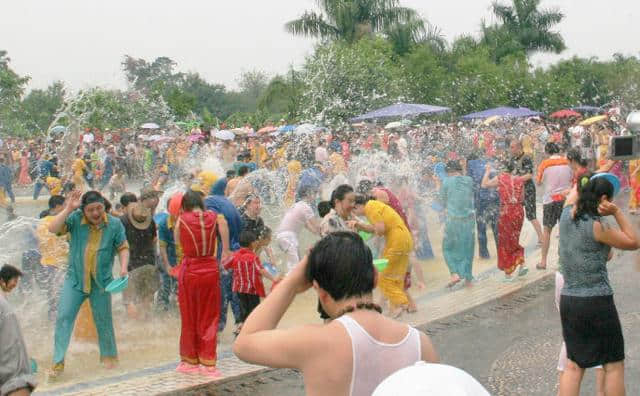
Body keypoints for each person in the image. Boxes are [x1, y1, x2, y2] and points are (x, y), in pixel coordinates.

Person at [233, 232, 438, 396]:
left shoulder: (317, 342)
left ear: (320, 292)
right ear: (375, 277)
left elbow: (244, 343)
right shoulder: (420, 344)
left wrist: (292, 283)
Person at [558, 176, 639, 396]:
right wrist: (617, 212)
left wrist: (587, 184)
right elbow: (633, 242)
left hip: (569, 301)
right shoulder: (598, 226)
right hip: (596, 301)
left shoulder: (565, 216)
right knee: (612, 365)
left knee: (574, 365)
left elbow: (575, 191)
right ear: (604, 199)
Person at [47, 190, 129, 378]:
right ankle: (58, 362)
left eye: (99, 208)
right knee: (64, 318)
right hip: (75, 281)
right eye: (90, 210)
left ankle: (109, 360)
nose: (95, 213)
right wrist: (68, 208)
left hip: (101, 283)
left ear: (104, 206)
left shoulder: (114, 224)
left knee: (104, 321)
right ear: (83, 210)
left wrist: (123, 267)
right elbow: (52, 228)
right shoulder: (75, 219)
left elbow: (123, 247)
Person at [173, 190, 231, 377]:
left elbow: (177, 240)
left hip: (190, 271)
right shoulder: (215, 217)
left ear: (185, 205)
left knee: (190, 316)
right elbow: (224, 226)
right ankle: (208, 364)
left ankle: (189, 362)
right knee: (209, 316)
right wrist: (226, 252)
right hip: (210, 269)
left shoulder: (182, 219)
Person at [352, 195, 413, 317]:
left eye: (354, 211)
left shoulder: (370, 208)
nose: (356, 214)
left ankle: (403, 304)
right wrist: (359, 225)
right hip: (404, 239)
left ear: (358, 206)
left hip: (397, 241)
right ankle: (397, 307)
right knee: (395, 276)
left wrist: (367, 231)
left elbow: (380, 230)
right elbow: (377, 228)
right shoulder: (374, 205)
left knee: (381, 276)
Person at [203, 192, 244, 335]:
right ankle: (239, 322)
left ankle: (220, 328)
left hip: (226, 250)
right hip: (234, 246)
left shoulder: (208, 207)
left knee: (224, 289)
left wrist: (225, 250)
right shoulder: (222, 202)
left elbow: (221, 223)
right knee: (232, 288)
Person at [223, 230, 280, 331]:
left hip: (239, 290)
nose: (256, 242)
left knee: (243, 311)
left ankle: (241, 329)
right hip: (252, 291)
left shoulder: (235, 255)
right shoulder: (253, 258)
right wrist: (273, 278)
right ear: (251, 243)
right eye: (255, 241)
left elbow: (225, 266)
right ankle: (253, 331)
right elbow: (261, 270)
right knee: (254, 312)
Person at [482, 161, 529, 281]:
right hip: (519, 211)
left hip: (507, 211)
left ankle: (508, 273)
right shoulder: (519, 180)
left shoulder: (501, 178)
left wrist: (487, 171)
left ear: (502, 169)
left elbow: (484, 184)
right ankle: (521, 263)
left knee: (505, 241)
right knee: (514, 238)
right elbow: (522, 198)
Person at [0, 265, 38, 396]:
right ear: (2, 280)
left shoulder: (4, 302)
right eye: (14, 281)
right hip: (12, 380)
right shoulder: (2, 304)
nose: (15, 285)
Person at [439, 160, 475, 288]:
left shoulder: (446, 182)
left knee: (447, 248)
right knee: (468, 249)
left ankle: (454, 273)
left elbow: (442, 201)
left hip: (453, 221)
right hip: (469, 221)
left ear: (448, 172)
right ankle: (468, 279)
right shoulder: (469, 180)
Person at [536, 142, 572, 270]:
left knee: (547, 231)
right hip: (565, 200)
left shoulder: (544, 164)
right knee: (565, 231)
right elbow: (572, 180)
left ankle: (543, 261)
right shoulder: (567, 162)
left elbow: (538, 182)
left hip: (550, 201)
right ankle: (564, 261)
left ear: (547, 152)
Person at [120, 202, 158, 320]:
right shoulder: (150, 221)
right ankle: (146, 326)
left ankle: (135, 330)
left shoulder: (122, 221)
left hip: (131, 266)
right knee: (146, 299)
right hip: (150, 264)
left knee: (129, 301)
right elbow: (154, 239)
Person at [35, 195, 69, 321]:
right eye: (65, 205)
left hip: (47, 264)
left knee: (53, 299)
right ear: (58, 206)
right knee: (62, 297)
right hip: (60, 265)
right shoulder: (58, 222)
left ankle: (52, 325)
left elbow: (40, 243)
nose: (67, 207)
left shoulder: (41, 222)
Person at [275, 186, 321, 272]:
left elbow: (310, 227)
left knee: (296, 263)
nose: (315, 196)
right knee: (295, 266)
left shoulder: (297, 205)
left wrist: (319, 233)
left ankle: (288, 281)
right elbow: (317, 225)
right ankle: (289, 283)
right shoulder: (306, 207)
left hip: (282, 236)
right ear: (308, 194)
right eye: (314, 193)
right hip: (288, 237)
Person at [510, 140, 543, 246]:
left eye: (512, 147)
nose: (511, 149)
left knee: (531, 215)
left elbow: (529, 175)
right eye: (510, 147)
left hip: (528, 190)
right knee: (515, 216)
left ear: (519, 147)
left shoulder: (526, 158)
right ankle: (515, 241)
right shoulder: (512, 159)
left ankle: (541, 238)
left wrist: (516, 179)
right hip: (517, 191)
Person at [467, 152, 499, 259]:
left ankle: (484, 254)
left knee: (481, 227)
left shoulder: (470, 165)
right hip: (494, 197)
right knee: (496, 226)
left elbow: (470, 184)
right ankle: (501, 252)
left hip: (480, 200)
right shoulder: (488, 163)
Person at [154, 193, 180, 312]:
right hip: (167, 255)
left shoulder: (186, 220)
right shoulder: (164, 223)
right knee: (165, 283)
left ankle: (177, 306)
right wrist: (167, 265)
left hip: (180, 256)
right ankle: (161, 306)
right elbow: (162, 247)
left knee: (179, 284)